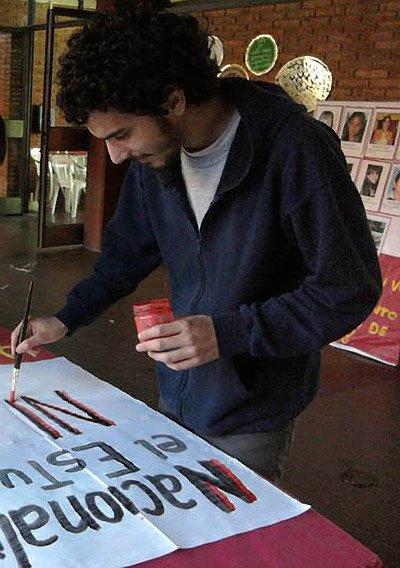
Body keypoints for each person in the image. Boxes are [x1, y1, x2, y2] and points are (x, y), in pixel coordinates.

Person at [11, 2, 382, 481]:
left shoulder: (293, 148)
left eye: (122, 134)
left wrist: (229, 333)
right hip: (179, 385)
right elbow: (124, 256)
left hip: (252, 402)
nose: (117, 156)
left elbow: (347, 287)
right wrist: (66, 318)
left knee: (232, 543)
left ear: (174, 100)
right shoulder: (159, 157)